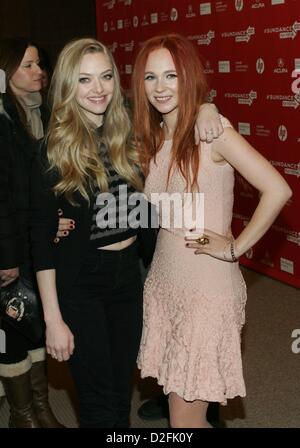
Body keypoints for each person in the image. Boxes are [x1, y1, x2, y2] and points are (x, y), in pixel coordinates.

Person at [31, 36, 224, 428]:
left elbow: (178, 106)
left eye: (105, 77)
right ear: (68, 85)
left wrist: (207, 107)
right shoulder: (51, 148)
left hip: (131, 277)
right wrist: (53, 318)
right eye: (84, 80)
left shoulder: (134, 129)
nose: (98, 89)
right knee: (99, 400)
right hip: (81, 282)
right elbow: (41, 240)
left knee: (121, 388)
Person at [131, 34, 292, 428]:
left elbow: (278, 189)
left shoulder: (214, 132)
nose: (161, 87)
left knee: (185, 421)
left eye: (172, 75)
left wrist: (235, 248)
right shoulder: (155, 136)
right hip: (167, 280)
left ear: (189, 78)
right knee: (180, 406)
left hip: (205, 290)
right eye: (150, 77)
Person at [0, 37, 63, 428]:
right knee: (10, 324)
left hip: (34, 239)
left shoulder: (39, 113)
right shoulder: (3, 119)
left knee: (35, 320)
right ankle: (23, 415)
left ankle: (41, 406)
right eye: (27, 65)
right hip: (9, 243)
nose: (38, 71)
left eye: (39, 63)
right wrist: (4, 257)